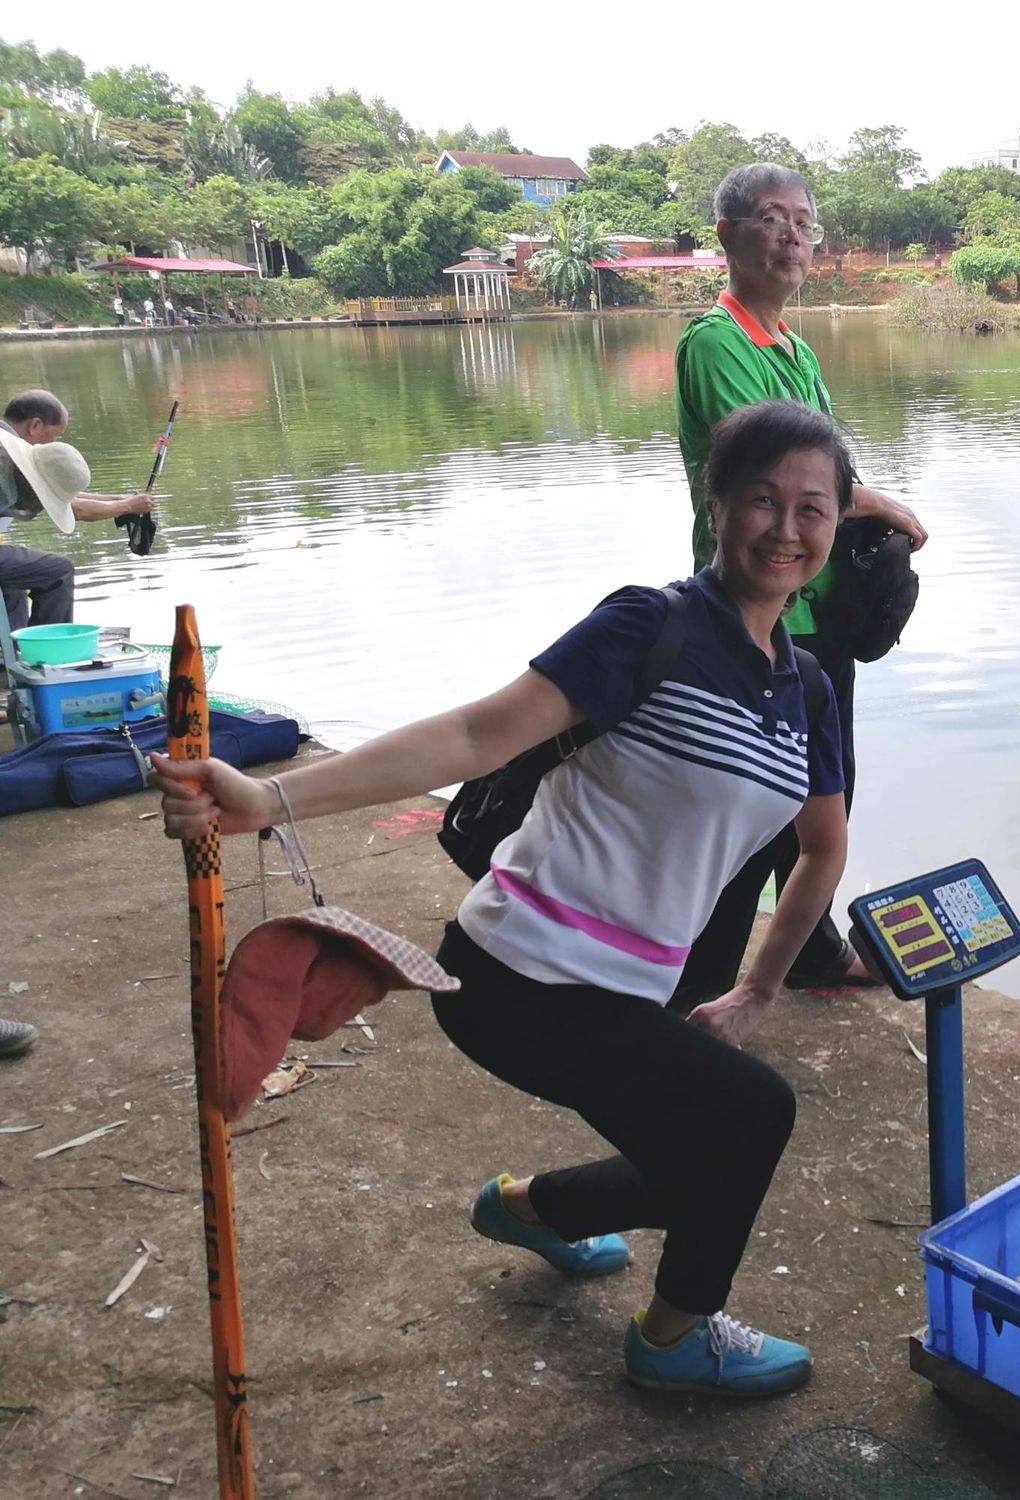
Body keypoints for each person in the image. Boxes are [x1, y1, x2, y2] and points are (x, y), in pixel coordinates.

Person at [153, 400, 857, 1398]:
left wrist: (754, 991)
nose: (785, 529)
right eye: (761, 501)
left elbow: (821, 849)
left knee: (697, 1152)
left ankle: (526, 1208)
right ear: (715, 508)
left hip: (626, 993)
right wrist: (268, 797)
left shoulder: (808, 691)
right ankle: (669, 1340)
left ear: (836, 525)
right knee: (749, 1117)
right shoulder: (647, 626)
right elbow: (481, 735)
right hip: (515, 974)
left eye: (812, 509)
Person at [671, 162, 928, 1003]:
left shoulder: (793, 347)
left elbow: (829, 469)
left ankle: (804, 951)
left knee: (823, 782)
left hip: (807, 599)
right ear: (727, 237)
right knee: (759, 792)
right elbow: (778, 472)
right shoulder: (718, 343)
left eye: (803, 221)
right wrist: (882, 505)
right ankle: (704, 988)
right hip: (756, 604)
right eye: (770, 218)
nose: (790, 235)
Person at [2, 391, 156, 631]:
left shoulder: (7, 445)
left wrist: (120, 500)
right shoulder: (5, 460)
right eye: (54, 436)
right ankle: (48, 652)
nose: (52, 445)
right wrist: (127, 506)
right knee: (57, 571)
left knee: (18, 580)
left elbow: (59, 494)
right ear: (35, 425)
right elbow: (76, 507)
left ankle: (10, 654)